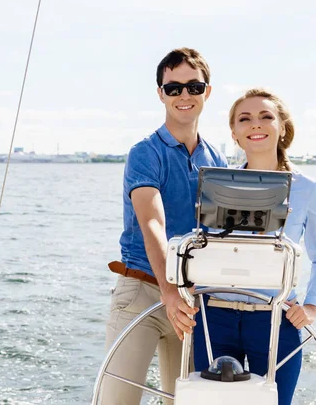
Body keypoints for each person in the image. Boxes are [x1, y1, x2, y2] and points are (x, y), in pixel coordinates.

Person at [193, 88, 316, 405]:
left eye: (265, 116)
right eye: (245, 119)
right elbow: (198, 248)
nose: (255, 124)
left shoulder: (308, 189)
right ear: (234, 133)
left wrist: (312, 306)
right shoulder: (214, 184)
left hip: (276, 319)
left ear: (282, 127)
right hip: (213, 317)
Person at [102, 48, 228, 404]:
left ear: (207, 91)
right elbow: (152, 221)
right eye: (173, 88)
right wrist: (169, 290)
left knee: (183, 401)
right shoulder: (145, 152)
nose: (183, 95)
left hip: (192, 300)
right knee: (117, 400)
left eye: (193, 86)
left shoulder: (216, 159)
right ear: (161, 94)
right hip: (140, 291)